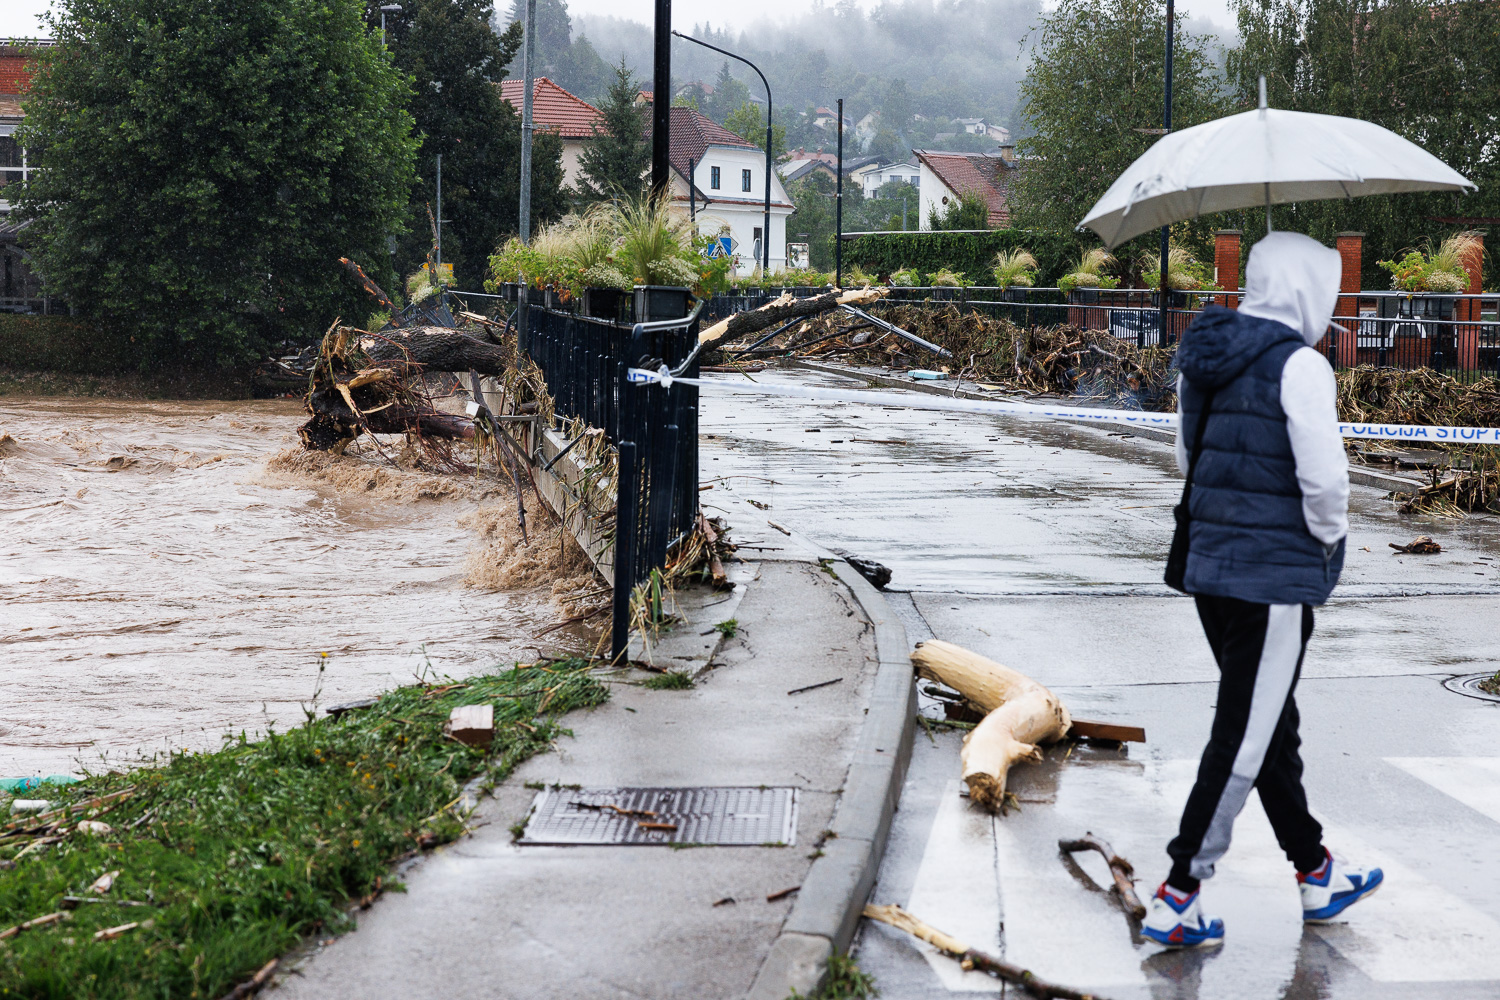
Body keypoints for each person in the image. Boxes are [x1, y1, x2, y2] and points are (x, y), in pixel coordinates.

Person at [1141, 232, 1384, 949]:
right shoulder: (1301, 366)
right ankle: (1179, 893)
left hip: (1210, 568)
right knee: (1244, 737)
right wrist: (1327, 544)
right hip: (1271, 576)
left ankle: (1316, 872)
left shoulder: (1204, 356)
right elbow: (1325, 484)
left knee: (1270, 724)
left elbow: (1187, 456)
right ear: (1307, 290)